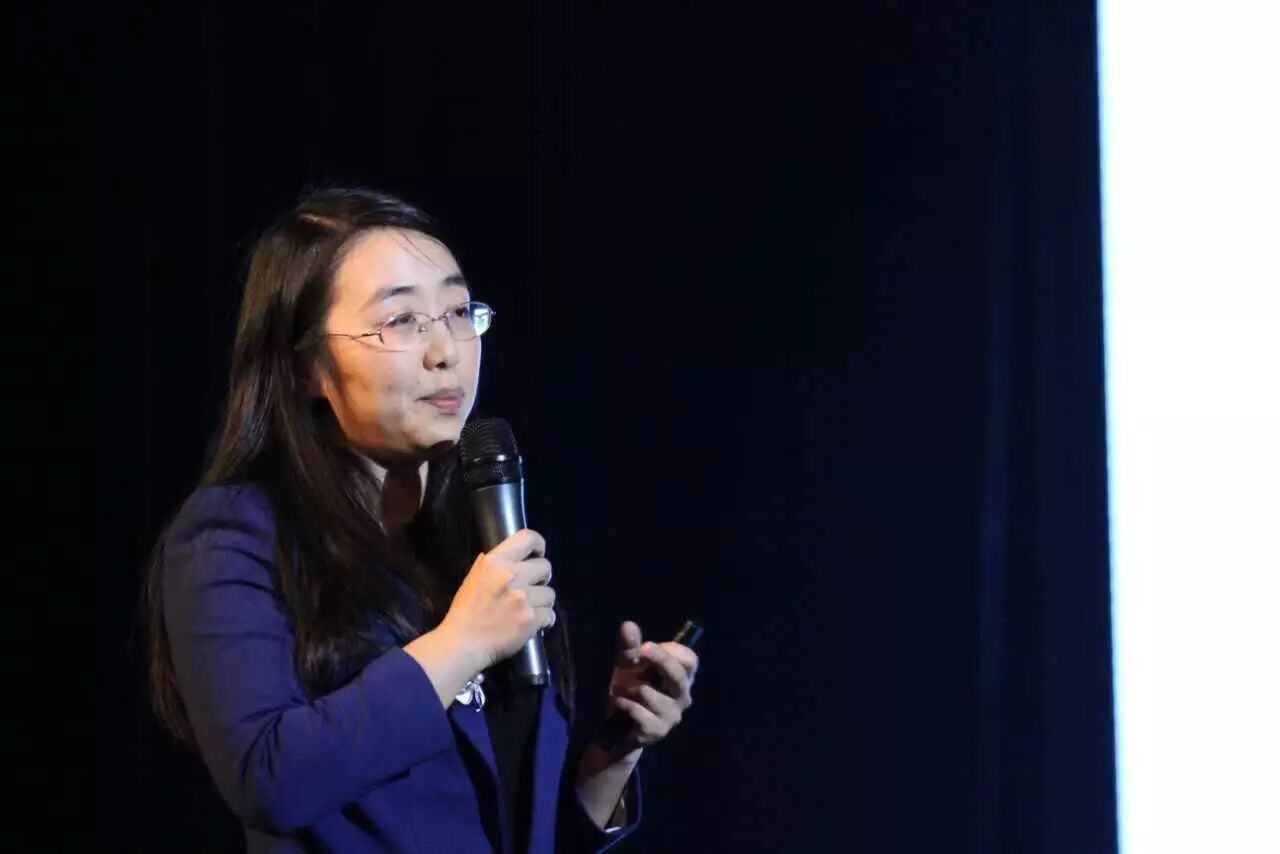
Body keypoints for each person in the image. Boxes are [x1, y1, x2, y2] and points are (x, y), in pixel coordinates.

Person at [143, 187, 700, 852]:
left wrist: (617, 747)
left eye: (459, 312)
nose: (446, 351)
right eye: (402, 321)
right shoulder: (236, 535)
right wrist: (460, 645)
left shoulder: (476, 540)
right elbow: (268, 776)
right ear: (303, 366)